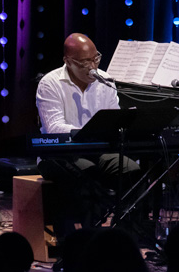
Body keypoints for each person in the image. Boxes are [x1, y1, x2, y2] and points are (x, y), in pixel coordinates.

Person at [35, 33, 148, 240]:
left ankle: (123, 237)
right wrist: (89, 131)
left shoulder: (105, 80)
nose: (92, 67)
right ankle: (83, 240)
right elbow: (54, 128)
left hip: (99, 151)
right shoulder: (49, 83)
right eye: (85, 62)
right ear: (68, 61)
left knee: (134, 172)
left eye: (96, 58)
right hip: (60, 155)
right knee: (88, 175)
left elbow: (115, 119)